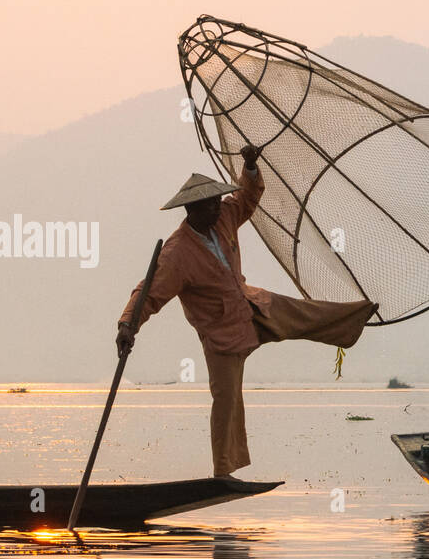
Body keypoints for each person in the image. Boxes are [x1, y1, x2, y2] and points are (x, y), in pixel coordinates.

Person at [116, 144, 377, 479]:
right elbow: (148, 293)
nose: (218, 207)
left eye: (216, 201)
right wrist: (128, 325)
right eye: (210, 204)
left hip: (252, 306)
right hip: (221, 333)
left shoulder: (223, 216)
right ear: (192, 210)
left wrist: (251, 166)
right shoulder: (177, 254)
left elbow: (247, 199)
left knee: (307, 313)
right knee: (226, 401)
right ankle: (223, 472)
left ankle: (355, 318)